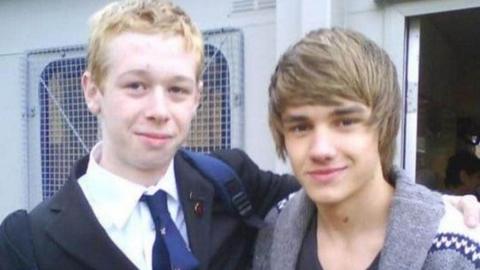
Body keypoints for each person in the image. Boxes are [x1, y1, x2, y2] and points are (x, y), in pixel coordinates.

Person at [0, 2, 478, 270]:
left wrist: (443, 206)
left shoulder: (230, 183)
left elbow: (346, 189)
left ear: (197, 97)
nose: (159, 110)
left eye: (177, 88)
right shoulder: (27, 242)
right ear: (92, 90)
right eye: (135, 86)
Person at [253, 28, 480, 270]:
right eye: (300, 127)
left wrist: (437, 209)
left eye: (345, 122)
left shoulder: (459, 248)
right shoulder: (277, 227)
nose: (321, 149)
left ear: (383, 126)